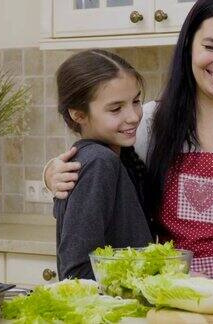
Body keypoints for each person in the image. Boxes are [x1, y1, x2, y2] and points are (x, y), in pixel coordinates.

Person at [44, 0, 213, 294]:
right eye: (211, 47)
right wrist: (51, 172)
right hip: (169, 301)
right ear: (189, 45)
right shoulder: (149, 122)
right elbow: (94, 164)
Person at [53, 49, 152, 280]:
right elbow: (77, 273)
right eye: (116, 108)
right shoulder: (99, 162)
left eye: (136, 101)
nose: (134, 116)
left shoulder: (121, 156)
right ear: (79, 115)